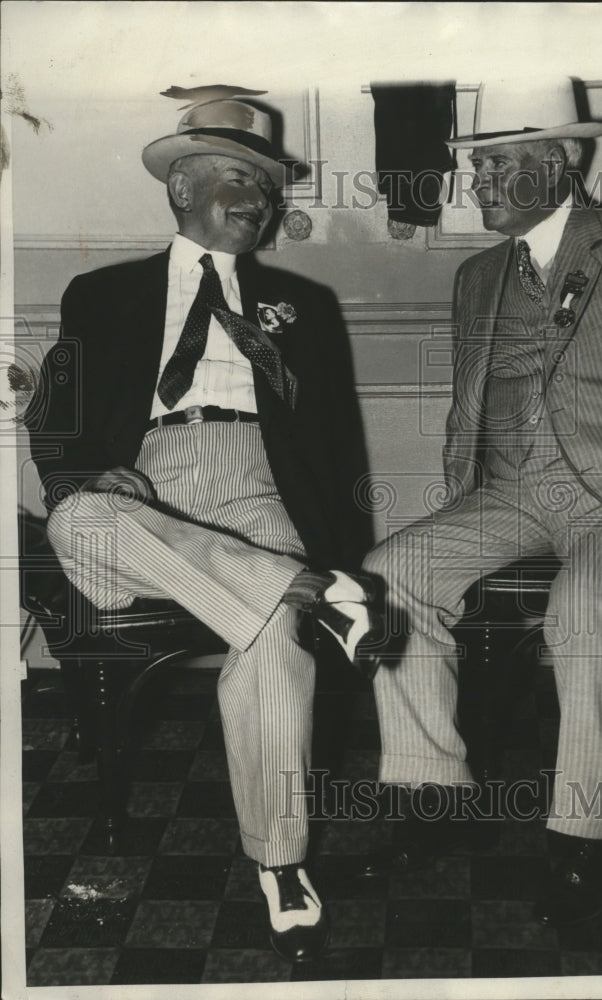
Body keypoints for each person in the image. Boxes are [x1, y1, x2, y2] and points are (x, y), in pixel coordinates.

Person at [360, 78, 602, 925]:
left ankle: (588, 831)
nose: (477, 183)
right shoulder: (474, 275)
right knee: (390, 572)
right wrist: (458, 510)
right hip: (510, 491)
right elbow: (469, 402)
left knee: (580, 608)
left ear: (561, 160)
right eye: (474, 165)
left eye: (496, 164)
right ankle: (430, 793)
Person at [25, 93, 379, 963]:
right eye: (232, 175)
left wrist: (334, 545)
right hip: (136, 488)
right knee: (78, 517)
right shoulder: (102, 293)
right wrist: (80, 472)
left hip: (261, 487)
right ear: (180, 185)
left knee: (272, 645)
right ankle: (307, 594)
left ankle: (280, 861)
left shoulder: (303, 303)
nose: (254, 194)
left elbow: (334, 447)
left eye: (262, 181)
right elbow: (55, 413)